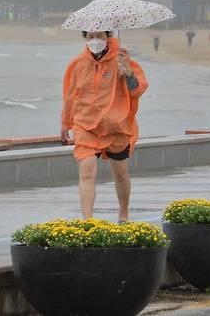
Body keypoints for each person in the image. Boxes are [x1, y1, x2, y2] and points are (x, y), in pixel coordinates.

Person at [61, 31, 148, 222]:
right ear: (85, 38)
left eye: (99, 35)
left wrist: (129, 73)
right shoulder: (77, 64)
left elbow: (137, 91)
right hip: (86, 126)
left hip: (117, 127)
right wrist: (66, 123)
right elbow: (69, 95)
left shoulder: (122, 60)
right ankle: (88, 221)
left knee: (121, 174)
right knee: (87, 172)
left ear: (108, 36)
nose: (95, 40)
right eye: (90, 36)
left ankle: (123, 213)